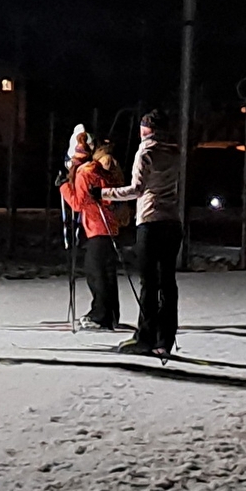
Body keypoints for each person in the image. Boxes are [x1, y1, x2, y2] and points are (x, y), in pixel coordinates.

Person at [97, 109, 182, 357]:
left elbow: (136, 189)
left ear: (147, 129)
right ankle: (165, 339)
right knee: (168, 283)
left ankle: (145, 337)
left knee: (149, 283)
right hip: (172, 221)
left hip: (151, 221)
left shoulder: (146, 152)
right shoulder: (175, 151)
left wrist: (103, 193)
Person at [67, 139, 128, 329]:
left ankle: (100, 315)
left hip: (97, 226)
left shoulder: (84, 172)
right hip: (108, 226)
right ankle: (111, 314)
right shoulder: (98, 169)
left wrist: (64, 187)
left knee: (96, 273)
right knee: (106, 272)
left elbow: (78, 204)